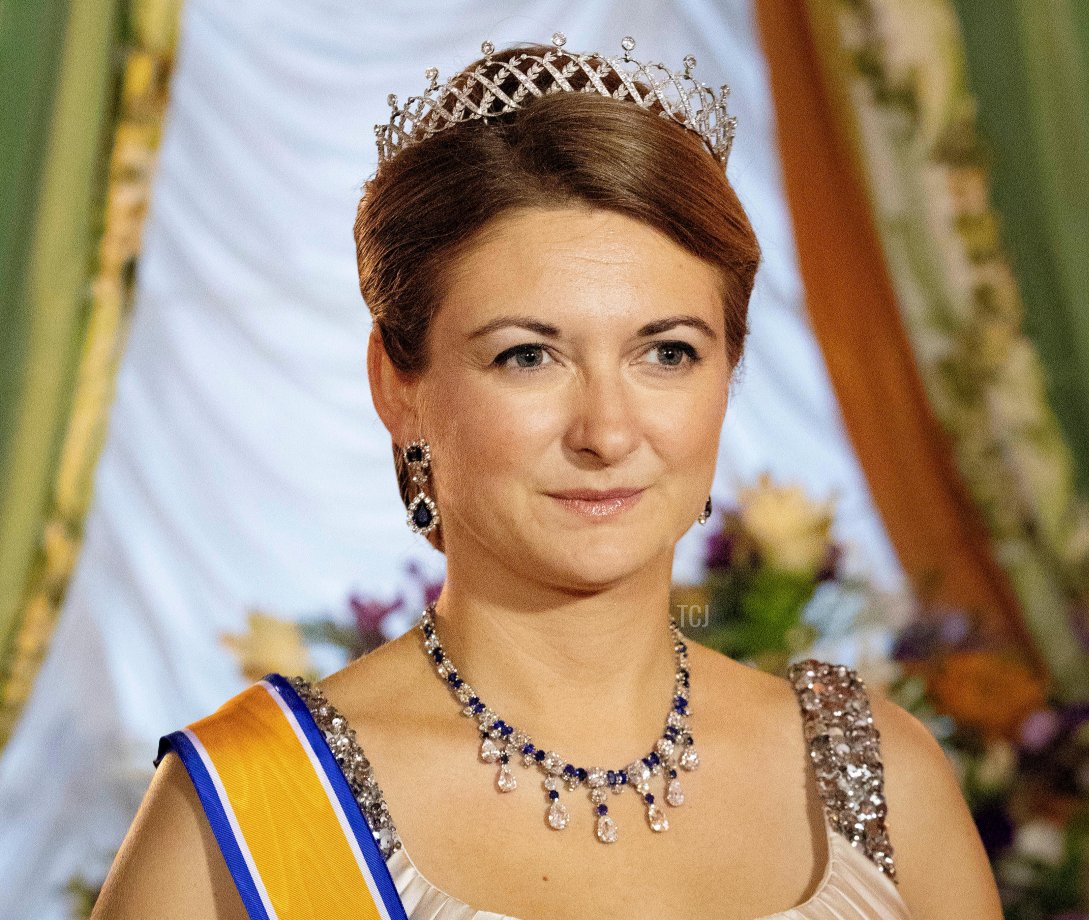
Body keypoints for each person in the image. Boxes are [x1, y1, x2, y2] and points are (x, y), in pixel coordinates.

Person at [92, 33, 1003, 920]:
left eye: (668, 353)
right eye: (529, 356)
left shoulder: (880, 778)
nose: (607, 430)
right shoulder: (245, 810)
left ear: (729, 372)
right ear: (397, 387)